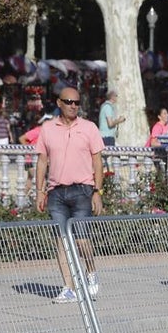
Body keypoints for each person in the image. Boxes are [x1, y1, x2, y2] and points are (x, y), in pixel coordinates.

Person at [35, 87, 105, 304]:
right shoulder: (47, 129)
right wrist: (39, 191)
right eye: (68, 102)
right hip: (56, 193)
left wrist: (98, 191)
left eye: (76, 102)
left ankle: (91, 272)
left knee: (82, 238)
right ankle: (69, 288)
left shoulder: (89, 127)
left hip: (83, 190)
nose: (73, 105)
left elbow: (97, 161)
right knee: (61, 240)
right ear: (59, 103)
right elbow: (42, 161)